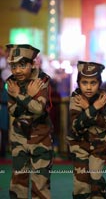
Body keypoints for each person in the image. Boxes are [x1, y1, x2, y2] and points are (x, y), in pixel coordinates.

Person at [6, 44, 53, 199]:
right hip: (19, 136)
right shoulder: (12, 82)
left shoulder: (41, 80)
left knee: (40, 180)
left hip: (40, 137)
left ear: (33, 64)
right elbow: (13, 111)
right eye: (13, 66)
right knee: (18, 179)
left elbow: (38, 109)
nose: (17, 70)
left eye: (22, 65)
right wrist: (29, 98)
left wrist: (19, 95)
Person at [67, 61, 106, 199]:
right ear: (78, 83)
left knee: (95, 177)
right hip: (79, 144)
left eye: (93, 83)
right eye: (84, 82)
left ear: (100, 83)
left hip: (99, 144)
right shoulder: (76, 98)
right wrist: (92, 108)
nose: (89, 87)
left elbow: (104, 123)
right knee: (81, 183)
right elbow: (77, 125)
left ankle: (100, 193)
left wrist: (87, 110)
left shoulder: (103, 98)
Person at [0, 74, 9, 157]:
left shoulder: (6, 92)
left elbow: (8, 102)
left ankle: (3, 153)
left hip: (4, 118)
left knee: (3, 136)